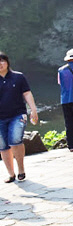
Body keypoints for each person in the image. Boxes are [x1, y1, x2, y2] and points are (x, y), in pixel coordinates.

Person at [0, 52, 38, 183]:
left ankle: (21, 169)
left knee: (15, 140)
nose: (0, 64)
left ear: (7, 62)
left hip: (17, 114)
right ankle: (11, 174)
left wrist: (33, 110)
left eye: (2, 61)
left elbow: (27, 93)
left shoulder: (18, 77)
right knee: (3, 145)